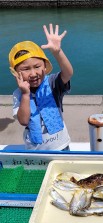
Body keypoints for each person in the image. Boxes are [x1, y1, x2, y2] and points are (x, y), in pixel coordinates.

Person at [9, 23, 73, 151]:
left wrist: (57, 52)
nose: (33, 74)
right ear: (16, 73)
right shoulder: (18, 94)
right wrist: (25, 95)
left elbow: (68, 73)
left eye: (37, 66)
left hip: (60, 146)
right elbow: (23, 121)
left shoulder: (52, 83)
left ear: (45, 66)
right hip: (34, 149)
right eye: (26, 69)